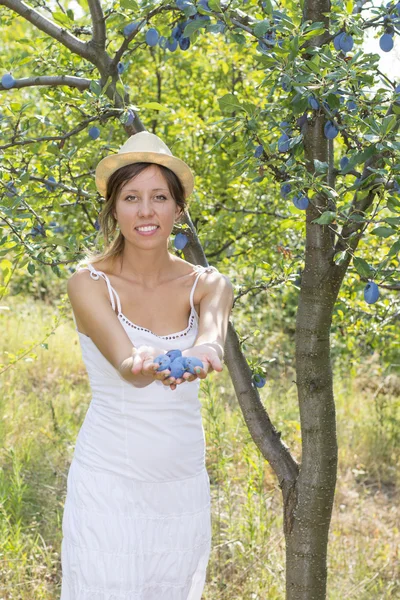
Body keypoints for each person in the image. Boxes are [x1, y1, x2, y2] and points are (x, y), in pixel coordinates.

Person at [60, 131, 234, 599]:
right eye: (131, 197)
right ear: (113, 208)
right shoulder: (89, 282)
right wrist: (140, 363)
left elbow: (212, 340)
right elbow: (124, 363)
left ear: (178, 209)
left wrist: (205, 355)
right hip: (109, 483)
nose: (145, 211)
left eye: (159, 197)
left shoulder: (209, 283)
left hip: (180, 485)